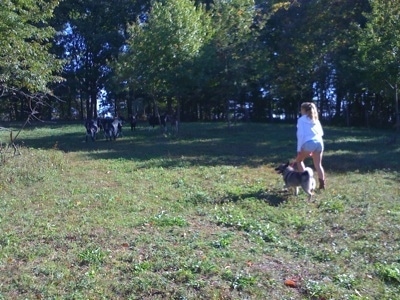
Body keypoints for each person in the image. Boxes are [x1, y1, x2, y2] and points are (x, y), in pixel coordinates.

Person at [295, 102, 326, 189]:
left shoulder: (301, 120)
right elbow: (321, 133)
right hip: (319, 143)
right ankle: (322, 185)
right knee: (318, 164)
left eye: (301, 109)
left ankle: (305, 182)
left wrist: (299, 149)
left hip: (308, 143)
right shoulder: (316, 119)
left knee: (299, 161)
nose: (300, 111)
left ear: (304, 110)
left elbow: (300, 135)